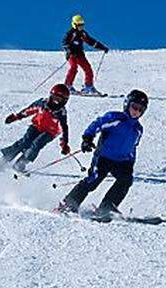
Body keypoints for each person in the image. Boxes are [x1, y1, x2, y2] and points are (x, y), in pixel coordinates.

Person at [56, 89, 148, 219]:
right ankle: (68, 204)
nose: (136, 111)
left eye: (141, 109)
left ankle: (106, 207)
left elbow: (133, 147)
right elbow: (97, 124)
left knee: (126, 180)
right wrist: (87, 138)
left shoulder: (138, 129)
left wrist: (131, 162)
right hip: (104, 157)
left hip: (123, 161)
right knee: (93, 180)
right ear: (127, 104)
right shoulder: (115, 118)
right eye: (135, 107)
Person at [0, 84, 71, 173]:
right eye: (55, 98)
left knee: (36, 145)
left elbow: (64, 129)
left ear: (64, 101)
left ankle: (20, 163)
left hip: (49, 133)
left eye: (59, 100)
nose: (56, 102)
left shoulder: (61, 113)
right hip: (36, 126)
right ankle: (2, 161)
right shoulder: (42, 103)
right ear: (51, 95)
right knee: (24, 142)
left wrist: (64, 144)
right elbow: (29, 110)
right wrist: (16, 116)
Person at [62, 14, 109, 95]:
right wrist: (69, 49)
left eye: (82, 25)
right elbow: (64, 42)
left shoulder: (83, 33)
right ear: (74, 24)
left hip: (80, 54)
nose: (81, 27)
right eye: (79, 25)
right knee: (73, 67)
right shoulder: (71, 33)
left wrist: (102, 47)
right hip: (72, 54)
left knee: (88, 69)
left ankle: (88, 86)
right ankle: (68, 86)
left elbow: (91, 41)